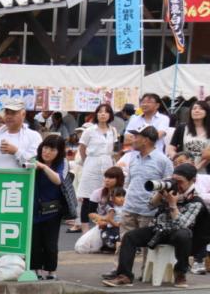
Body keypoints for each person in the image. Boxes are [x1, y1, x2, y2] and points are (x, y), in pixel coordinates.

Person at [103, 164, 205, 288]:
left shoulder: (196, 200)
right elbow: (150, 206)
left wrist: (173, 204)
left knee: (183, 234)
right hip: (159, 230)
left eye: (180, 182)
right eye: (174, 180)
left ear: (192, 181)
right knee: (129, 237)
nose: (176, 184)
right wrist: (160, 194)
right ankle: (124, 276)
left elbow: (182, 225)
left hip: (178, 235)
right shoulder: (170, 189)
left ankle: (180, 273)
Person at [118, 125, 172, 245]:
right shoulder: (134, 158)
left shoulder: (163, 161)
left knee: (147, 249)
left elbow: (168, 186)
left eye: (136, 136)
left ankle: (144, 265)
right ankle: (121, 265)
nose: (133, 140)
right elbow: (128, 182)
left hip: (148, 212)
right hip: (129, 208)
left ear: (145, 140)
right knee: (124, 244)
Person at [74, 104, 118, 232]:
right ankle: (85, 230)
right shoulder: (90, 130)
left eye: (106, 112)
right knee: (87, 197)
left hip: (107, 163)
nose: (103, 114)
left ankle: (106, 227)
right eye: (100, 112)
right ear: (96, 114)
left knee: (107, 195)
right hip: (92, 163)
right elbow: (82, 148)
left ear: (110, 115)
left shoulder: (113, 130)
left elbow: (114, 148)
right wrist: (86, 161)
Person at [30, 134, 67, 280]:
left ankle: (51, 271)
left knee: (51, 242)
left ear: (59, 152)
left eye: (52, 149)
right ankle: (36, 269)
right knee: (35, 241)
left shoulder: (61, 163)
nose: (47, 152)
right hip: (35, 208)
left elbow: (58, 180)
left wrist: (44, 167)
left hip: (53, 210)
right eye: (45, 148)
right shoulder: (34, 160)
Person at [0, 99, 42, 170]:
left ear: (23, 114)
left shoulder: (34, 136)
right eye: (7, 113)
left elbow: (32, 164)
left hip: (20, 180)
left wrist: (16, 151)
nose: (9, 116)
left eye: (13, 113)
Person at [167, 99, 210, 169]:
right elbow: (171, 148)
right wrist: (178, 160)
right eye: (194, 108)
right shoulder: (182, 128)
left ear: (207, 112)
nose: (197, 111)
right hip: (183, 170)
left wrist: (196, 168)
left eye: (201, 109)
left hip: (205, 171)